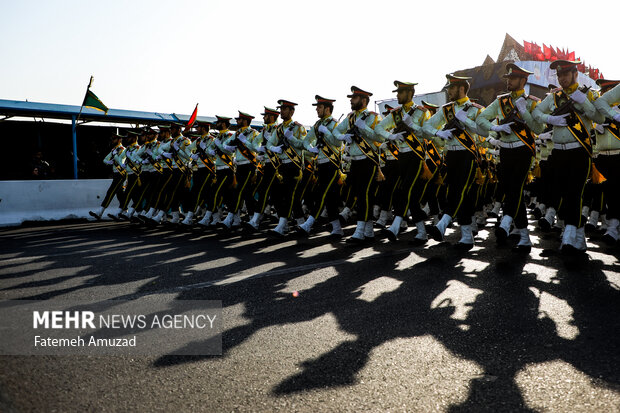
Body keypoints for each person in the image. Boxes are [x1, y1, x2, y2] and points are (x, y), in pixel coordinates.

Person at [532, 60, 604, 253]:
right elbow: (537, 111)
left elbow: (599, 118)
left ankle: (570, 237)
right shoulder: (555, 97)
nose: (562, 79)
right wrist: (550, 119)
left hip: (579, 151)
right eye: (559, 75)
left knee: (575, 193)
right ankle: (578, 237)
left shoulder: (589, 94)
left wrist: (584, 101)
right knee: (564, 194)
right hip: (558, 152)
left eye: (565, 74)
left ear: (575, 75)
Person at [476, 63, 544, 253]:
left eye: (512, 79)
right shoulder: (500, 102)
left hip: (523, 150)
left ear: (523, 80)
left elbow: (538, 129)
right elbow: (481, 119)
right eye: (508, 79)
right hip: (505, 150)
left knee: (515, 188)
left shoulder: (531, 102)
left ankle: (508, 223)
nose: (509, 82)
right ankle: (523, 235)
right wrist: (496, 128)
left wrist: (525, 112)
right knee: (511, 190)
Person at [422, 74, 485, 250]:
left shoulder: (474, 109)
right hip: (450, 155)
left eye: (452, 88)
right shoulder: (446, 109)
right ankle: (466, 237)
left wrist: (467, 121)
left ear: (462, 88)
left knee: (461, 190)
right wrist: (438, 133)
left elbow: (485, 132)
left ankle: (443, 223)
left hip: (467, 155)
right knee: (455, 193)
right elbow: (426, 127)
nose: (449, 91)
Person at [375, 80, 433, 245]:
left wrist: (412, 126)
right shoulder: (395, 114)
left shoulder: (422, 112)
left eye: (400, 92)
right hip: (402, 157)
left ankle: (396, 225)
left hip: (416, 157)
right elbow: (379, 128)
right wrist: (391, 136)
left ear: (410, 93)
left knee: (407, 190)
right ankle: (421, 232)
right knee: (410, 194)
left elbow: (428, 135)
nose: (397, 95)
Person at [333, 86, 383, 243]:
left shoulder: (374, 117)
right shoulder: (349, 118)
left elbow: (380, 138)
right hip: (355, 161)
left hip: (369, 161)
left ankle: (360, 231)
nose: (351, 100)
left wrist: (365, 128)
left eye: (354, 98)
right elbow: (336, 131)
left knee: (364, 195)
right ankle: (368, 231)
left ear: (363, 100)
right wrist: (344, 137)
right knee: (358, 194)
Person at [295, 95, 343, 238]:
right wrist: (311, 149)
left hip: (332, 165)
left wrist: (327, 133)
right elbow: (306, 141)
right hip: (321, 165)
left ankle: (308, 224)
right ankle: (337, 229)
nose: (317, 109)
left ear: (327, 109)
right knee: (329, 199)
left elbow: (338, 143)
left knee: (322, 194)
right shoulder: (317, 125)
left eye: (319, 107)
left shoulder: (334, 124)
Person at [265, 99, 308, 236]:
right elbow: (268, 144)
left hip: (294, 166)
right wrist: (275, 148)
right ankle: (301, 224)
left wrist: (292, 139)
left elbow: (304, 145)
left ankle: (283, 225)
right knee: (279, 195)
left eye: (284, 109)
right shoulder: (279, 129)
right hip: (282, 166)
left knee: (290, 196)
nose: (281, 111)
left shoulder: (298, 128)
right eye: (281, 109)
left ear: (291, 111)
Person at [218, 111, 260, 230]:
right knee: (247, 193)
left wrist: (244, 141)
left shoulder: (253, 133)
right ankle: (252, 219)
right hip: (239, 166)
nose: (237, 121)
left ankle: (230, 218)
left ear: (245, 120)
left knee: (240, 191)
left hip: (249, 165)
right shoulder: (237, 133)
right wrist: (228, 146)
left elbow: (255, 148)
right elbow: (226, 143)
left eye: (239, 120)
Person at [593, 79, 620, 244]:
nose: (604, 94)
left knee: (614, 189)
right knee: (611, 189)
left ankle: (612, 226)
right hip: (603, 156)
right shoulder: (604, 109)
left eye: (607, 91)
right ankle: (612, 226)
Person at [247, 106, 280, 231]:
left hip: (277, 165)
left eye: (266, 115)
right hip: (267, 164)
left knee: (266, 191)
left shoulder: (278, 129)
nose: (263, 117)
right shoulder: (265, 130)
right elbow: (255, 142)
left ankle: (256, 220)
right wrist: (258, 149)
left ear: (272, 117)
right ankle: (291, 220)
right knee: (274, 194)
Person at [89, 133, 126, 219]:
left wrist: (115, 155)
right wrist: (109, 162)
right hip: (116, 174)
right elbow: (105, 159)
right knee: (120, 195)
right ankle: (124, 210)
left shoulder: (123, 150)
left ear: (119, 140)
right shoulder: (114, 149)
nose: (112, 140)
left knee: (111, 192)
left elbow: (120, 161)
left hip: (121, 174)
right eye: (112, 139)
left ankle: (100, 212)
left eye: (114, 139)